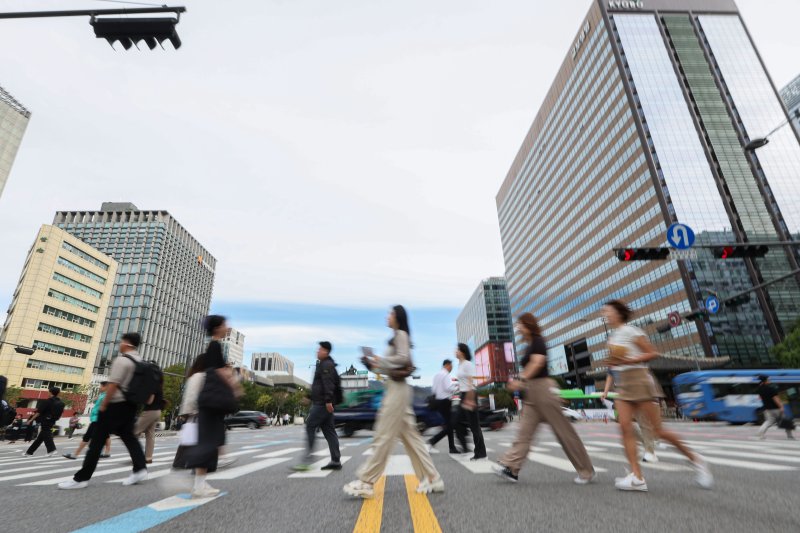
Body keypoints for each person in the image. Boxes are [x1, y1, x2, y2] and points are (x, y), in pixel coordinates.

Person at [599, 300, 713, 492]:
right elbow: (614, 365)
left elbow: (652, 353)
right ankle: (637, 477)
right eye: (604, 312)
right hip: (623, 384)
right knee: (625, 428)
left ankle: (697, 460)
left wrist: (628, 360)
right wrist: (613, 363)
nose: (605, 315)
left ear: (618, 312)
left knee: (657, 431)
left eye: (608, 311)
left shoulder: (631, 331)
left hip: (640, 380)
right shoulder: (612, 337)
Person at [344, 305, 444, 498]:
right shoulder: (396, 337)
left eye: (390, 313)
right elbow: (392, 367)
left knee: (383, 435)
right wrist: (372, 365)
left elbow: (402, 359)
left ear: (397, 317)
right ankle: (433, 478)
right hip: (395, 388)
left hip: (397, 391)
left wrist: (378, 361)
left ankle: (366, 481)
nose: (387, 316)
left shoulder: (401, 335)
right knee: (412, 439)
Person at [494, 313, 595, 484]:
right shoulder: (528, 346)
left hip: (543, 389)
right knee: (524, 432)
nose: (518, 328)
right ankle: (511, 468)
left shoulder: (538, 341)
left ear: (529, 325)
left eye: (520, 324)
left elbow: (537, 363)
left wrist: (520, 379)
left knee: (563, 432)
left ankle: (586, 471)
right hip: (531, 393)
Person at [58, 333, 149, 490]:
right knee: (130, 438)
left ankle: (81, 478)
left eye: (121, 341)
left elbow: (113, 384)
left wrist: (104, 404)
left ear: (127, 343)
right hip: (130, 406)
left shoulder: (122, 360)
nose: (120, 344)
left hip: (114, 406)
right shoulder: (141, 362)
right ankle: (140, 468)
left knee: (96, 442)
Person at [182, 315, 242, 498]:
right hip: (211, 402)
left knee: (212, 440)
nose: (227, 327)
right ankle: (198, 485)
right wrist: (235, 386)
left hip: (210, 402)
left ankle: (200, 483)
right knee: (208, 442)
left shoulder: (215, 346)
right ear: (216, 328)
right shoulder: (215, 345)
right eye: (224, 324)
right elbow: (218, 371)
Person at [294, 341, 342, 471]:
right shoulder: (325, 364)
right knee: (329, 432)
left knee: (310, 426)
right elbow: (319, 386)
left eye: (320, 349)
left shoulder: (326, 365)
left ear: (325, 351)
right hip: (323, 402)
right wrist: (309, 397)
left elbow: (328, 383)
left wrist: (328, 401)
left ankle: (307, 461)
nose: (317, 351)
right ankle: (336, 461)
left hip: (322, 404)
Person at [64, 382, 112, 460]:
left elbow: (106, 408)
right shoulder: (102, 395)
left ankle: (76, 455)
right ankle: (106, 452)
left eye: (101, 386)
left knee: (87, 437)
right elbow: (94, 401)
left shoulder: (106, 396)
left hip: (98, 419)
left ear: (106, 387)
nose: (99, 388)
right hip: (96, 419)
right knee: (105, 436)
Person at [454, 344, 486, 461]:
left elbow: (471, 382)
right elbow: (462, 382)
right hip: (463, 395)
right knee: (456, 422)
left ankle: (481, 453)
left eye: (457, 350)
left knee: (474, 426)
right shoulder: (460, 365)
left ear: (462, 352)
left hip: (469, 394)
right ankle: (465, 448)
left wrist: (470, 399)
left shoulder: (468, 364)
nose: (455, 351)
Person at [134, 360, 165, 464]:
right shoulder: (159, 384)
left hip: (150, 411)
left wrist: (140, 397)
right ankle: (148, 458)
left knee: (134, 433)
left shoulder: (152, 383)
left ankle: (136, 456)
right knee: (150, 435)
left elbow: (149, 401)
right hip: (157, 412)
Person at [427, 359, 460, 454]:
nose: (451, 368)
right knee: (450, 425)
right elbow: (448, 388)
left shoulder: (436, 375)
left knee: (449, 425)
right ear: (447, 365)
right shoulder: (445, 375)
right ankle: (433, 440)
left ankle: (452, 448)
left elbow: (433, 390)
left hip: (438, 402)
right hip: (445, 401)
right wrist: (457, 386)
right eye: (451, 366)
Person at [23, 386, 64, 457]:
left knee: (47, 432)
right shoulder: (61, 403)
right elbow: (60, 413)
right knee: (40, 438)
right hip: (53, 420)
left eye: (48, 392)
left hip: (45, 420)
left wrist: (31, 420)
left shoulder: (47, 401)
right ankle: (29, 452)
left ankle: (52, 449)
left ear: (50, 392)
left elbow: (38, 412)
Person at [756, 375, 795, 440]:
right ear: (765, 381)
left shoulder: (760, 389)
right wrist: (781, 406)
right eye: (768, 379)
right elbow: (776, 399)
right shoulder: (771, 389)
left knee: (768, 422)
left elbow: (760, 398)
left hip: (767, 409)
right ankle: (790, 436)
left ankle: (760, 434)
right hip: (776, 408)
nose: (769, 380)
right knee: (786, 421)